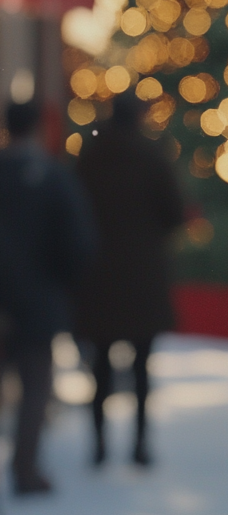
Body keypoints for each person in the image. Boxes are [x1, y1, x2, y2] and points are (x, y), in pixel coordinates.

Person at [75, 92, 184, 466]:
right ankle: (139, 444)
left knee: (100, 366)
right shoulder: (151, 156)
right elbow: (173, 212)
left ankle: (99, 445)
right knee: (141, 366)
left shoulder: (88, 158)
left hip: (98, 276)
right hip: (142, 276)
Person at [0, 101, 94, 494]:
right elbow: (78, 242)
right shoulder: (53, 178)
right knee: (35, 388)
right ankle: (25, 468)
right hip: (38, 299)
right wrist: (61, 284)